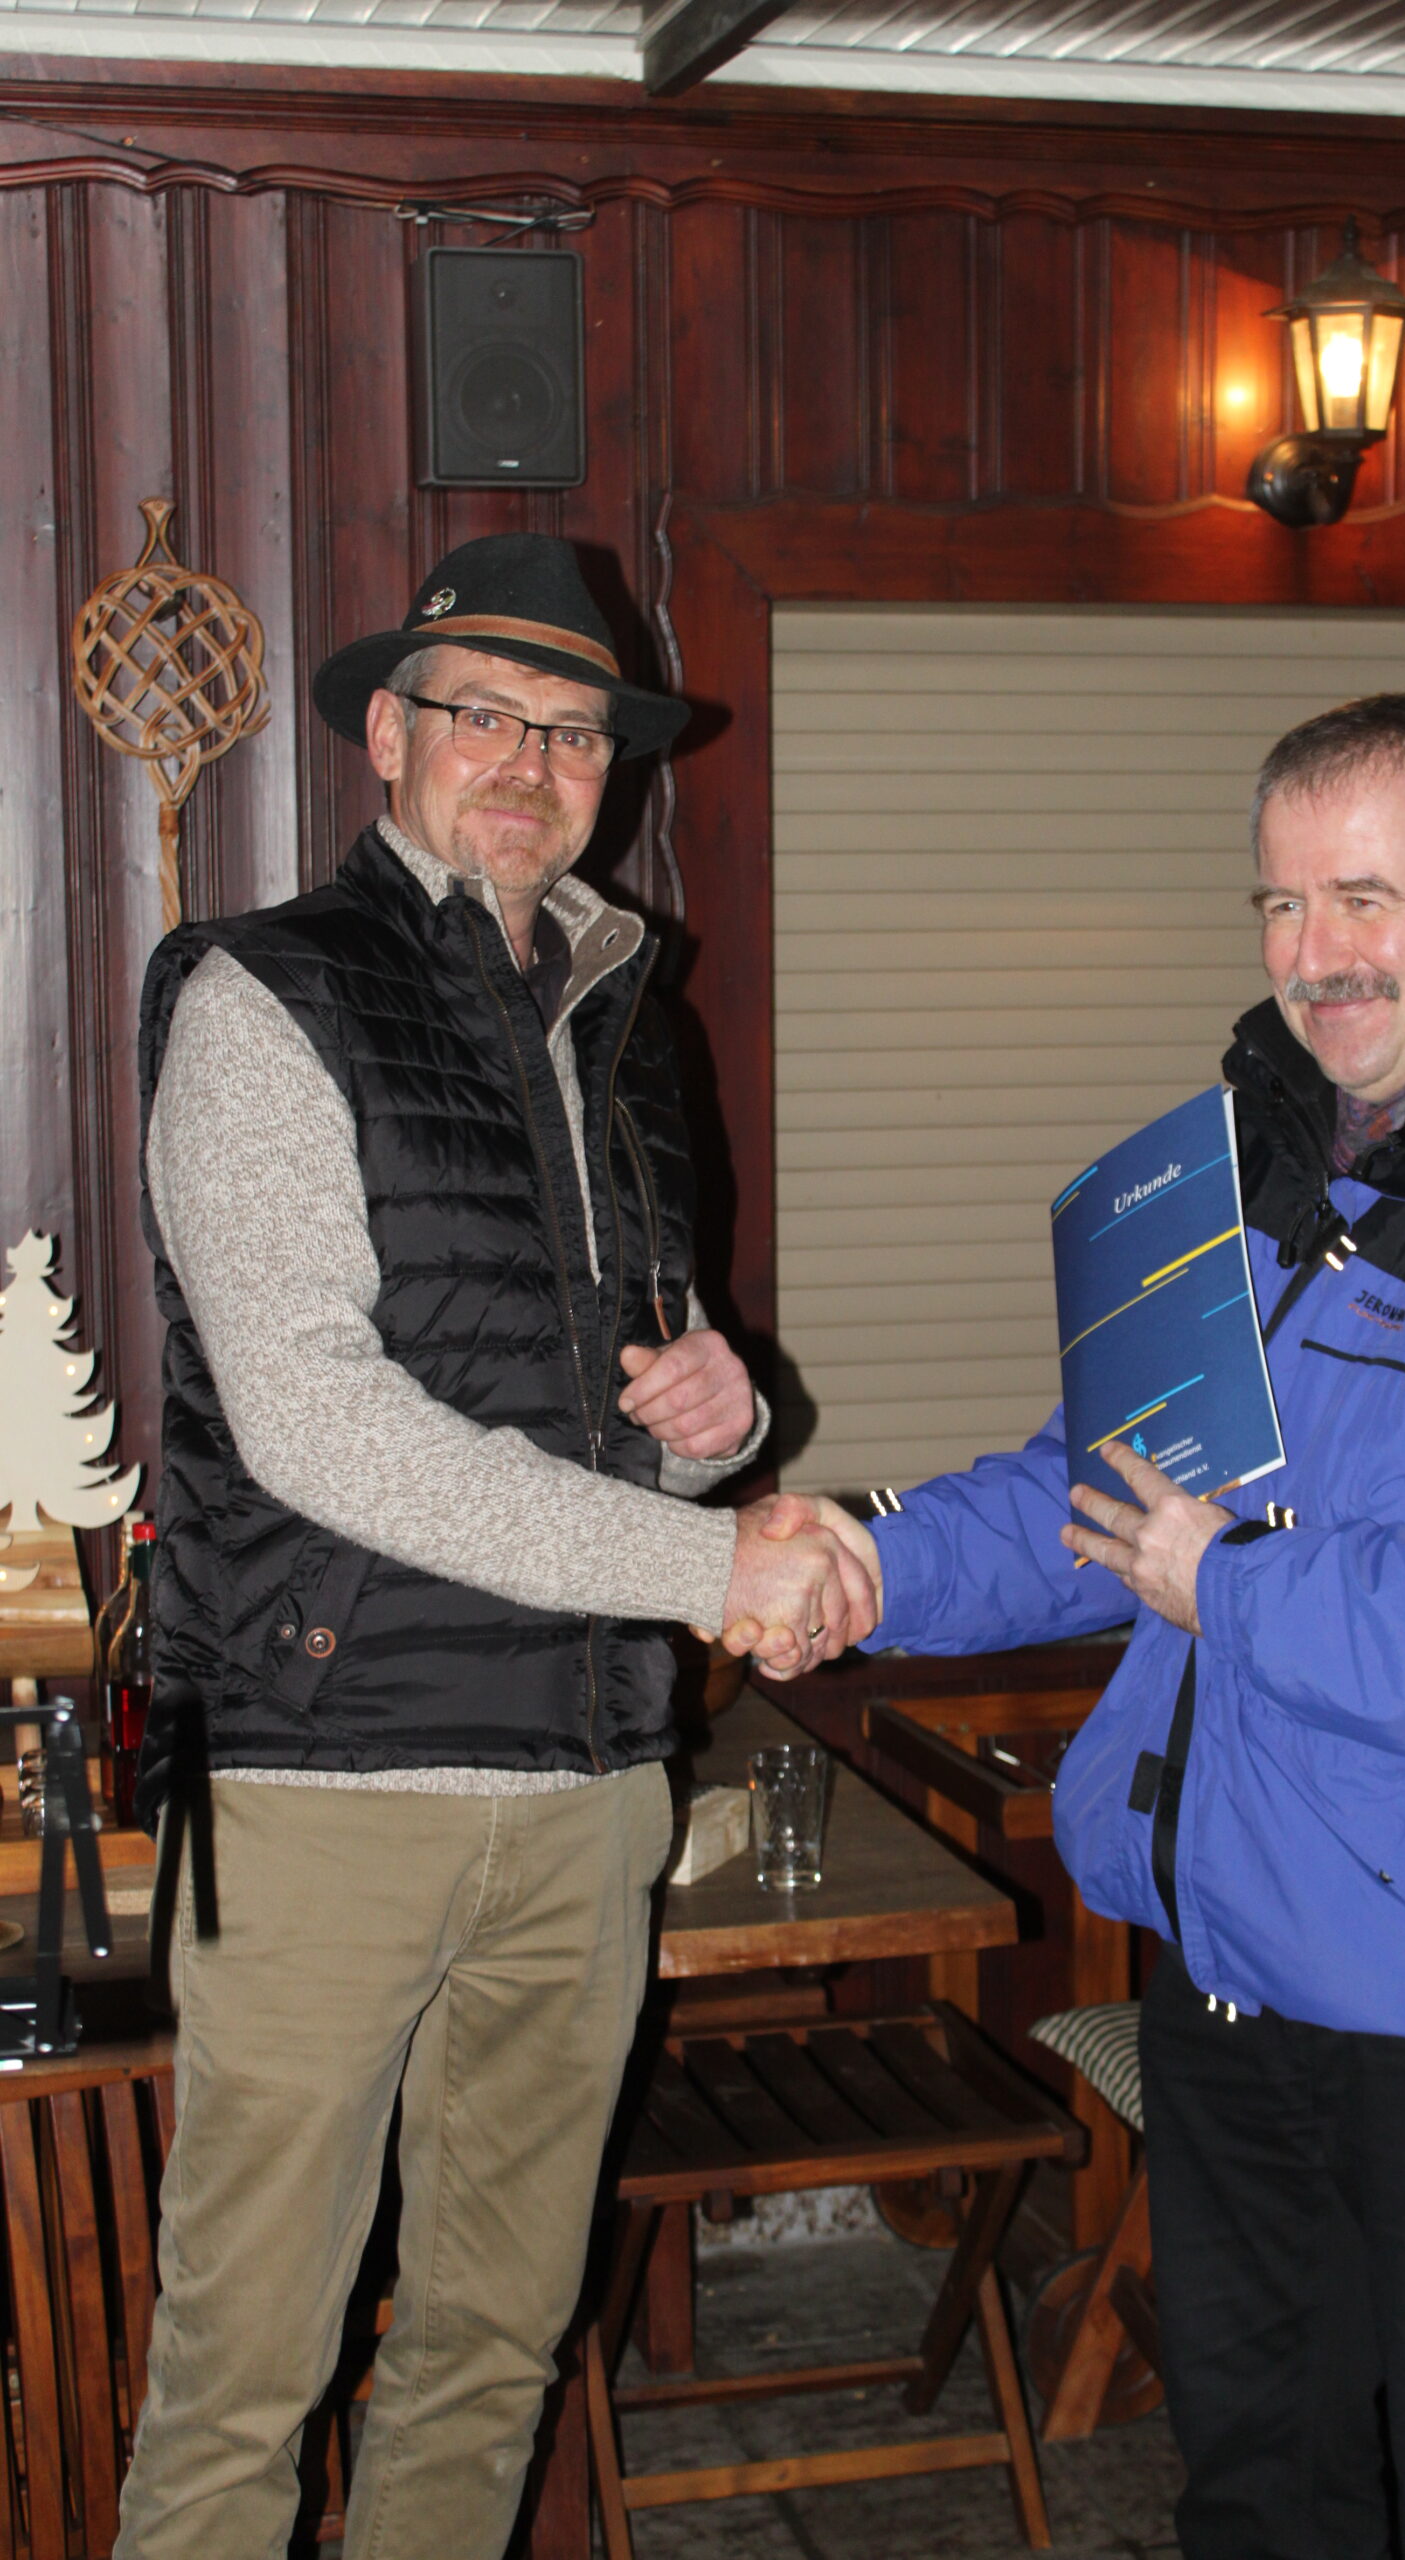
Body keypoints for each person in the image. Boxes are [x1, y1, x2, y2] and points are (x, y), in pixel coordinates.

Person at [777, 695, 1405, 2560]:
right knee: (1261, 2500)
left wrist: (1236, 1587)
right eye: (1279, 903)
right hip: (1233, 1969)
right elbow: (1116, 1499)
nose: (1311, 953)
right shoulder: (1250, 1160)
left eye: (1363, 898)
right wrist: (875, 1562)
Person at [118, 533, 875, 2560]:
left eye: (576, 732)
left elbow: (622, 1406)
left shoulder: (632, 1028)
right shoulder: (263, 991)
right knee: (241, 2384)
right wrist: (712, 1576)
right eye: (486, 715)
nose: (533, 763)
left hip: (590, 1783)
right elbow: (317, 1422)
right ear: (387, 733)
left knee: (489, 2358)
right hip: (321, 1785)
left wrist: (722, 1416)